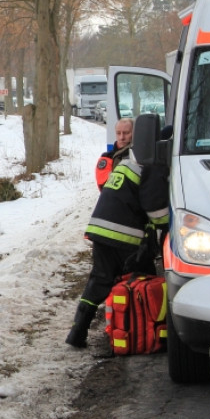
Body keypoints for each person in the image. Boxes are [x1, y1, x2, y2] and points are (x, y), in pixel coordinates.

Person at [65, 130, 170, 349]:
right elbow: (156, 210)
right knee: (145, 281)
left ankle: (77, 332)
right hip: (125, 234)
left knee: (99, 281)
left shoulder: (131, 160)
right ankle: (144, 332)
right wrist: (169, 224)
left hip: (101, 230)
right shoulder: (154, 167)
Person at [94, 118, 133, 191]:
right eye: (118, 133)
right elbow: (104, 186)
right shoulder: (107, 157)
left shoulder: (140, 155)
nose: (122, 137)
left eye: (126, 133)